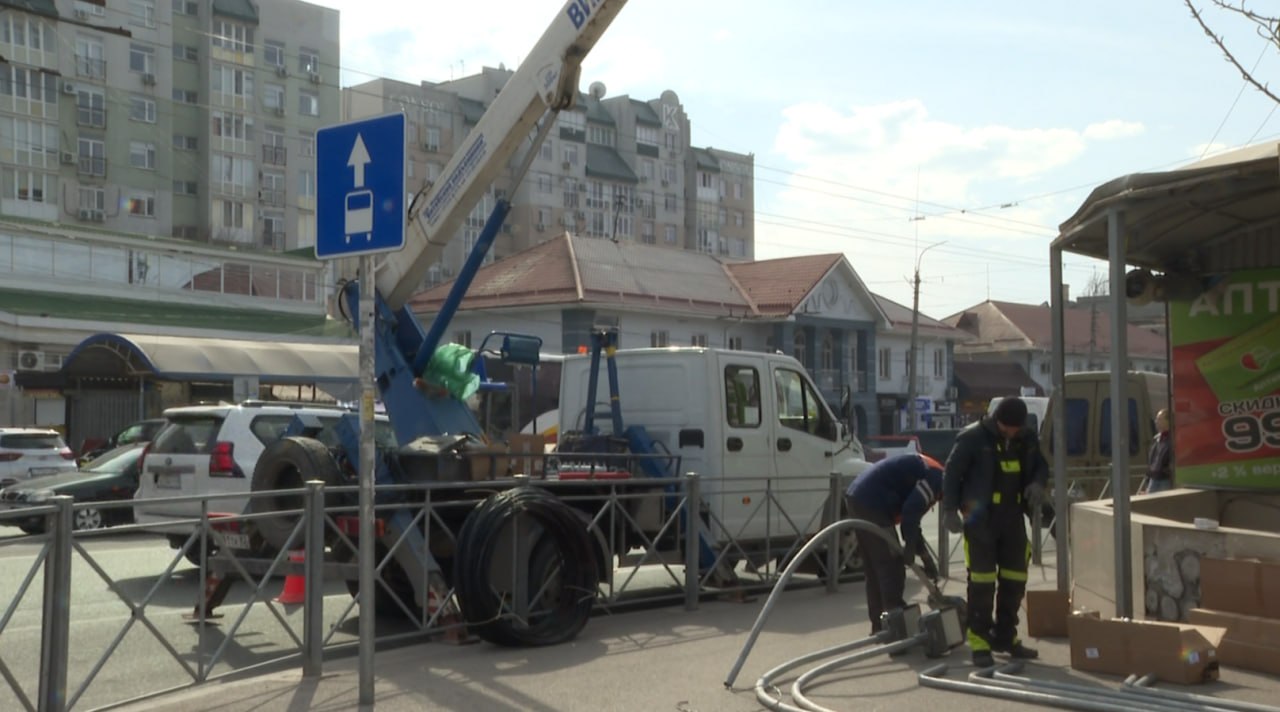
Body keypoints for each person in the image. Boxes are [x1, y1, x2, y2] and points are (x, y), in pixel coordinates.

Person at [941, 396, 1049, 667]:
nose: (1013, 432)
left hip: (1012, 517)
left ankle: (1005, 636)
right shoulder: (972, 438)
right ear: (998, 421)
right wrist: (950, 510)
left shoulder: (1026, 437)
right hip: (980, 519)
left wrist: (1038, 483)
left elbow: (1040, 466)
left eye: (1017, 428)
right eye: (1009, 427)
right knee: (982, 581)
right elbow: (952, 473)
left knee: (1015, 578)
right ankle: (979, 641)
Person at [845, 452, 944, 635]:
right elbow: (910, 514)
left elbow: (913, 522)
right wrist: (910, 548)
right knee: (891, 565)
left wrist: (924, 557)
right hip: (873, 502)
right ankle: (895, 624)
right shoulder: (936, 479)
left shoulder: (931, 474)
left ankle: (880, 627)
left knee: (875, 569)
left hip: (858, 496)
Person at [1145, 408, 1174, 493]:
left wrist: (1166, 471)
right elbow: (1152, 459)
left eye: (1159, 419)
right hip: (1154, 478)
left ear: (1168, 421)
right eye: (1156, 419)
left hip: (1165, 479)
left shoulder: (1173, 438)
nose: (1156, 421)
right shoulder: (1157, 439)